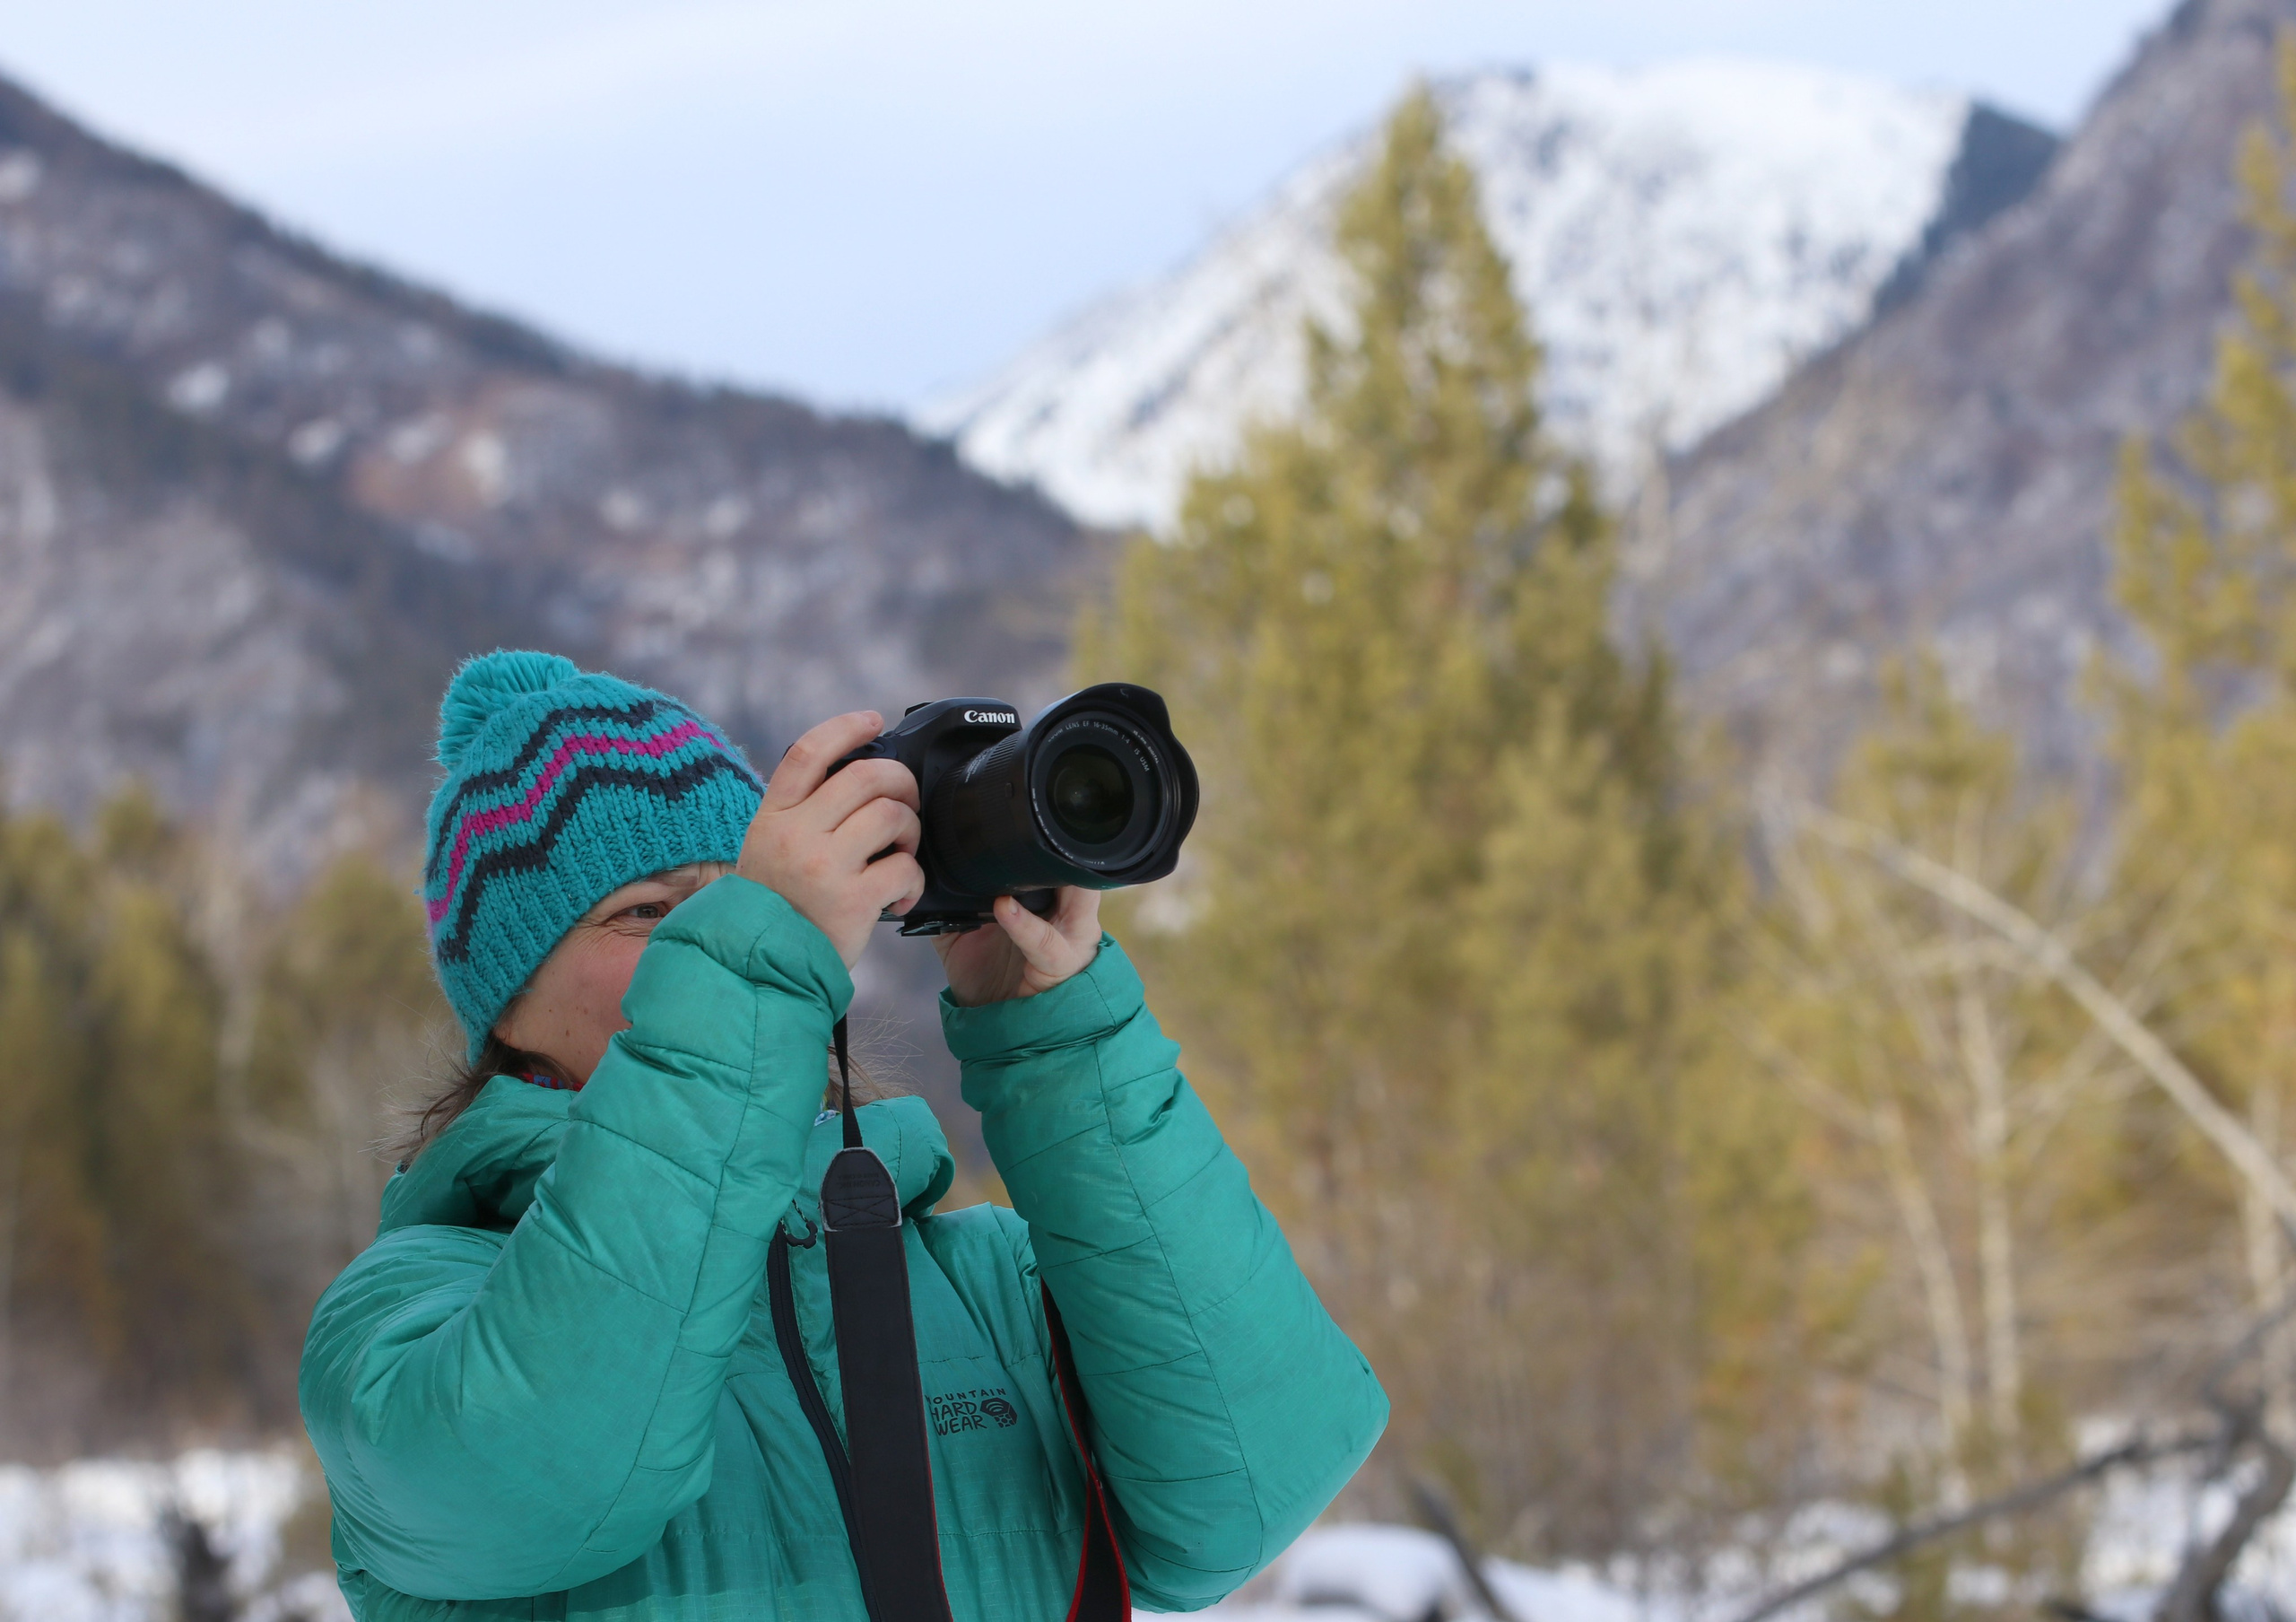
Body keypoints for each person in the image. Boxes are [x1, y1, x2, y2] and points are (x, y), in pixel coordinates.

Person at [300, 650, 1387, 1620]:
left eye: (744, 902)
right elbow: (548, 1468)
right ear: (507, 1000)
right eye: (649, 914)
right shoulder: (411, 1313)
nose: (712, 943)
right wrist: (750, 969)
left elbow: (1246, 1495)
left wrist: (1060, 1038)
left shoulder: (988, 1282)